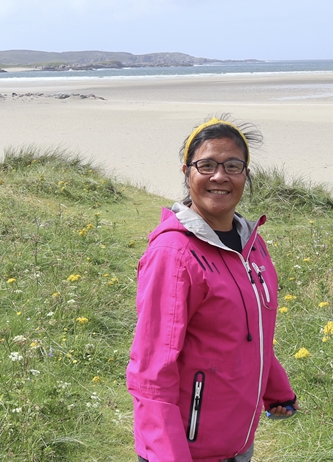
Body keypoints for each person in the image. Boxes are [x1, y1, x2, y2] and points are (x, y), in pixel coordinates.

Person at [127, 117, 298, 462]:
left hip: (237, 441)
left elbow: (252, 333)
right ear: (187, 172)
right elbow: (151, 369)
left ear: (245, 175)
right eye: (206, 165)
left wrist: (276, 390)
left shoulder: (251, 244)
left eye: (233, 166)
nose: (220, 176)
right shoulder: (173, 254)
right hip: (188, 449)